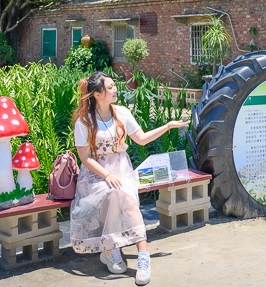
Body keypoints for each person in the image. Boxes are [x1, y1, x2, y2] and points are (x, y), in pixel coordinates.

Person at [70, 71, 189, 286]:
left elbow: (141, 139)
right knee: (113, 192)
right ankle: (110, 249)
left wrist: (168, 126)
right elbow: (85, 157)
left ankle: (143, 257)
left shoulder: (122, 113)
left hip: (121, 169)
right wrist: (106, 174)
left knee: (123, 196)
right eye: (111, 87)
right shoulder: (84, 121)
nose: (116, 89)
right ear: (97, 94)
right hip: (95, 174)